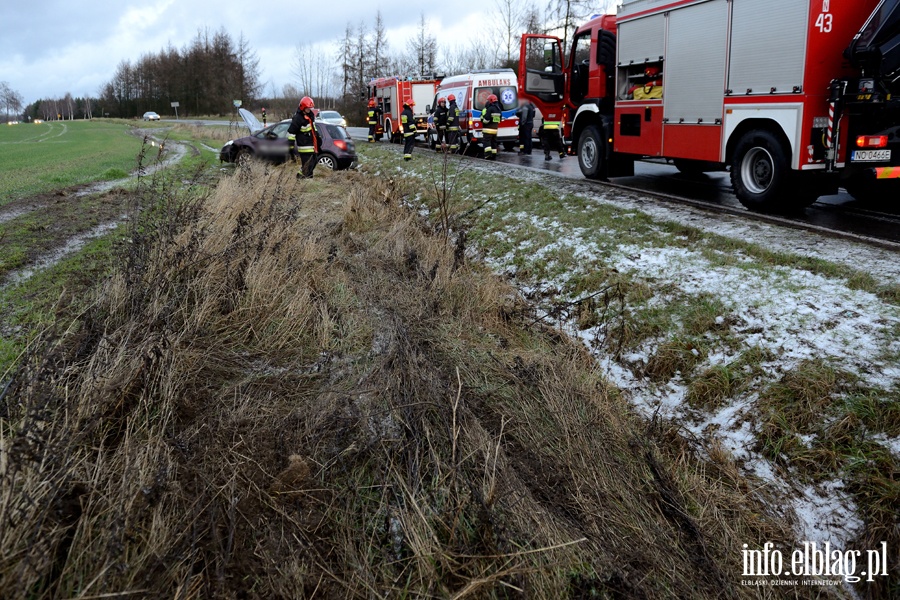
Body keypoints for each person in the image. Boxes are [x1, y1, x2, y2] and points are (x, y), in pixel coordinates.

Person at [288, 96, 322, 178]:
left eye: (310, 108)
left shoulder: (310, 116)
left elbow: (314, 129)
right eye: (307, 108)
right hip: (305, 147)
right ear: (303, 107)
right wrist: (291, 147)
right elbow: (291, 133)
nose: (309, 109)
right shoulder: (297, 118)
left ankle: (303, 178)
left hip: (313, 145)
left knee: (313, 162)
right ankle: (303, 181)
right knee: (307, 166)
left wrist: (318, 138)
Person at [480, 94, 502, 160]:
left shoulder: (490, 109)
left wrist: (482, 121)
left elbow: (487, 119)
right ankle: (494, 155)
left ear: (491, 101)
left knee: (487, 142)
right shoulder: (498, 109)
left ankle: (488, 155)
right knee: (493, 143)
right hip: (495, 129)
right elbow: (499, 120)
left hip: (488, 129)